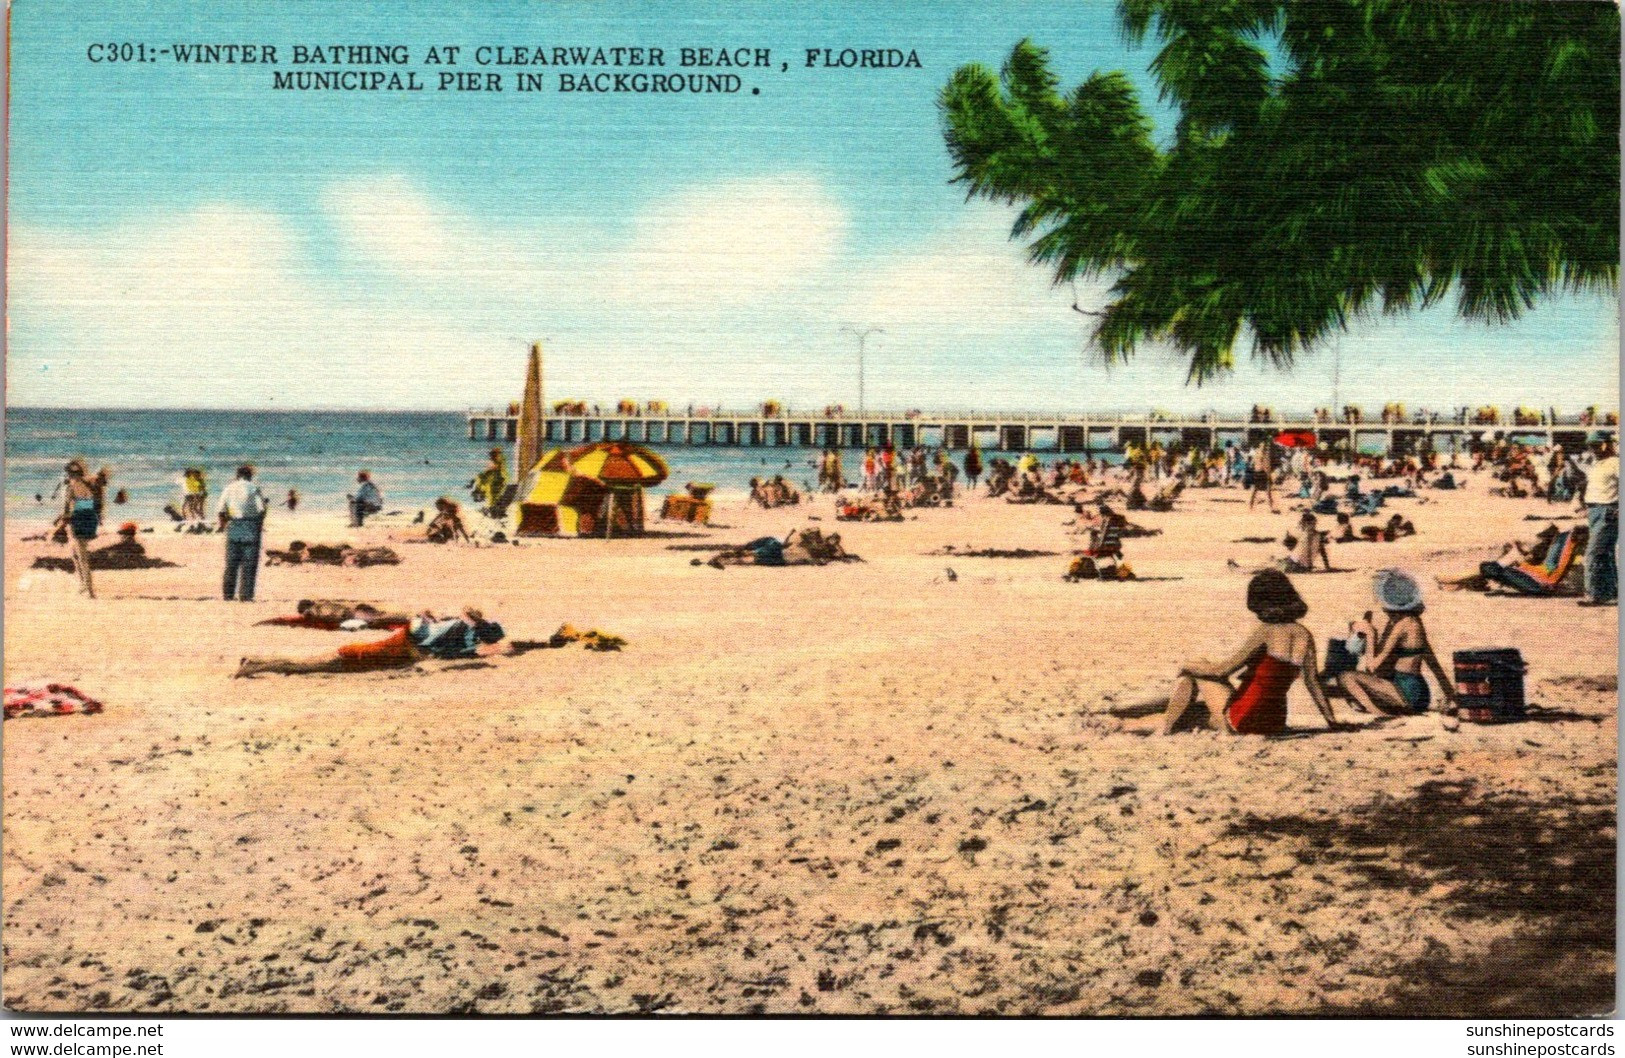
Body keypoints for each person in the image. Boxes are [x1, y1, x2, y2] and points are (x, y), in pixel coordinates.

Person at [1116, 570, 1337, 735]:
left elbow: (1223, 670)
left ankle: (1161, 727)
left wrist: (1188, 667)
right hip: (1273, 722)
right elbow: (1313, 683)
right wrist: (1332, 722)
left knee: (1194, 670)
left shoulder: (1267, 632)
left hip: (1244, 718)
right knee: (1196, 714)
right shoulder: (1304, 634)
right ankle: (1130, 724)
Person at [235, 607, 507, 677]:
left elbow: (422, 628)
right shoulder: (458, 629)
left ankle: (257, 663)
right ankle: (255, 665)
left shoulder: (459, 629)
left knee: (319, 664)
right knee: (320, 664)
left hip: (396, 648)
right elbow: (424, 637)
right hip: (395, 650)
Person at [1338, 569, 1459, 715]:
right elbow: (1432, 662)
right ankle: (1378, 708)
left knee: (1346, 677)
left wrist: (1370, 635)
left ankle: (1378, 713)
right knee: (1362, 690)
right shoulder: (1414, 622)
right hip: (1420, 693)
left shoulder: (1401, 625)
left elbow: (1373, 667)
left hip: (1405, 692)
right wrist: (1451, 694)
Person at [217, 464, 268, 602]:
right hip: (251, 525)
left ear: (237, 475)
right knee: (249, 564)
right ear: (250, 475)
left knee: (231, 564)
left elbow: (221, 510)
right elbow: (261, 509)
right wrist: (259, 523)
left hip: (233, 525)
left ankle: (228, 595)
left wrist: (224, 525)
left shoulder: (229, 488)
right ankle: (246, 595)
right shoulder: (253, 488)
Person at [1578, 437, 1618, 605]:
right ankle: (1610, 592)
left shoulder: (1615, 462)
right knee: (1604, 554)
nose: (1594, 449)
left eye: (1597, 445)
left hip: (1608, 511)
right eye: (1591, 446)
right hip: (1594, 510)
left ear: (1606, 444)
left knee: (1593, 552)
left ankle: (1593, 594)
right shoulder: (1597, 463)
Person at [52, 460, 101, 598]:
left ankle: (89, 590)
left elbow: (69, 508)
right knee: (76, 553)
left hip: (78, 521)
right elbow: (86, 505)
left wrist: (61, 520)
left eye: (68, 474)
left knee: (81, 556)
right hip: (89, 520)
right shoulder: (88, 485)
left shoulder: (71, 487)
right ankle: (83, 584)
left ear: (70, 474)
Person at [1248, 441, 1278, 512]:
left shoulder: (1256, 453)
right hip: (1263, 473)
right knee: (1268, 491)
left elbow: (1252, 464)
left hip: (1256, 472)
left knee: (1255, 491)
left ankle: (1250, 507)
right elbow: (1266, 466)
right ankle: (1271, 507)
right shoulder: (1265, 455)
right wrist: (1268, 475)